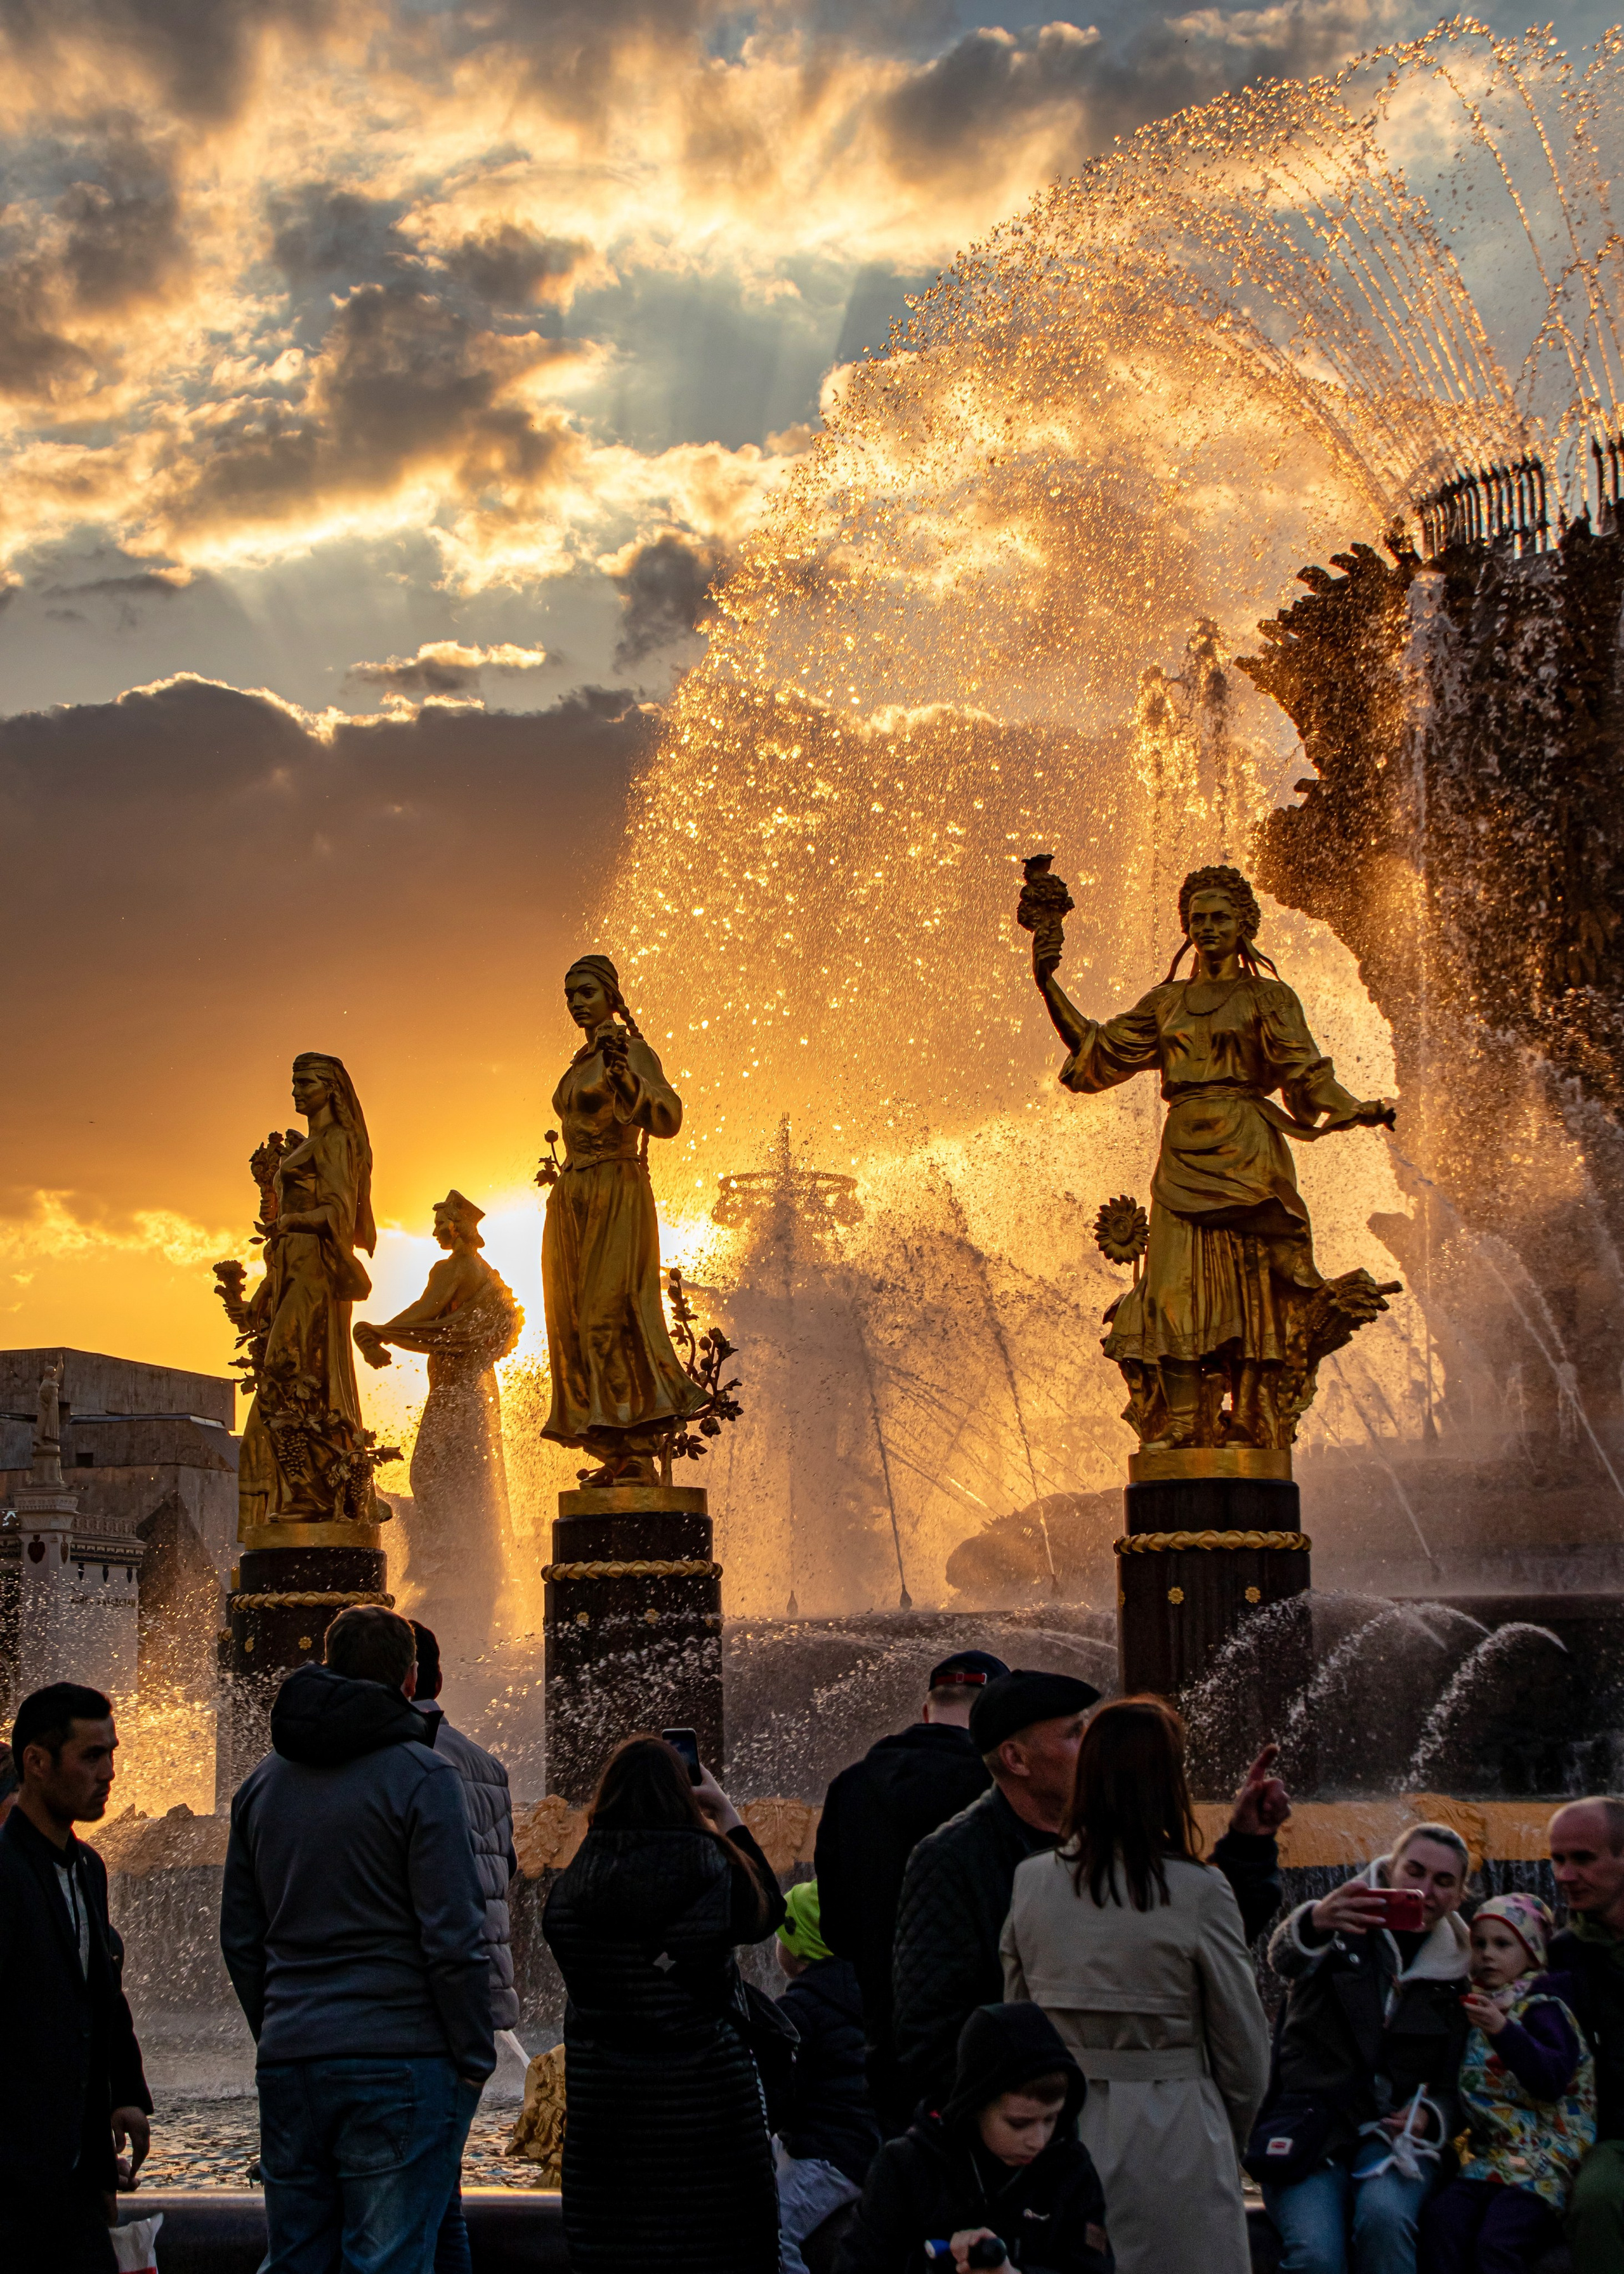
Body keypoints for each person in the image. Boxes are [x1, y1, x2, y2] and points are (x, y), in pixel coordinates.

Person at [221, 1603, 494, 2274]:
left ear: (327, 1666)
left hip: (292, 2059)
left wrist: (283, 2027)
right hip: (399, 2055)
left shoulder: (260, 1785)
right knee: (389, 2259)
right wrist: (472, 2052)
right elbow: (453, 1935)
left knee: (296, 2256)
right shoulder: (424, 1777)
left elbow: (240, 1936)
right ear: (409, 1680)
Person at [891, 1668, 1286, 2115]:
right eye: (1077, 1733)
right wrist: (1001, 2126)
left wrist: (1247, 1844)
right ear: (1017, 1759)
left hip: (1143, 2118)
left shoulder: (1109, 1839)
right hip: (1031, 2131)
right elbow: (930, 2024)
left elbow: (1194, 1947)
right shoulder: (954, 1859)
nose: (1094, 1747)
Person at [1001, 1694, 1268, 2274]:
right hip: (1177, 2132)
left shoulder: (1030, 1884)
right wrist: (1228, 2137)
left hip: (1066, 2131)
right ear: (1168, 1783)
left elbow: (1016, 2027)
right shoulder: (1200, 1892)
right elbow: (1243, 2046)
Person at [542, 1733, 788, 2272]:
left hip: (610, 2112)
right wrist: (725, 1814)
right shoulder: (716, 1867)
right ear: (685, 1796)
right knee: (721, 2250)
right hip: (711, 2108)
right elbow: (769, 1914)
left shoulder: (570, 1889)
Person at [1261, 1819, 1472, 2274]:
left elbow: (1460, 2088)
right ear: (1390, 1869)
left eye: (1443, 1882)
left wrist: (1430, 2115)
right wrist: (1314, 1922)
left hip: (1396, 2143)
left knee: (1385, 2218)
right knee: (1317, 2255)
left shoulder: (1462, 1972)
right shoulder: (1339, 1921)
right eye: (1414, 1872)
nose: (1425, 1891)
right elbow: (1284, 1959)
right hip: (1313, 2131)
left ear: (1459, 1896)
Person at [817, 1650, 1011, 2129]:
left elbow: (838, 1932)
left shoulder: (851, 1789)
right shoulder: (1007, 1794)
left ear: (927, 1711)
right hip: (994, 2046)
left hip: (888, 2045)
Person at [0, 1683, 152, 2274]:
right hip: (16, 2188)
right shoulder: (7, 1875)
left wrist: (127, 2096)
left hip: (74, 2183)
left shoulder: (88, 1867)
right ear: (36, 1764)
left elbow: (102, 2000)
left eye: (111, 1754)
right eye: (91, 1756)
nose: (109, 1772)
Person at [835, 2001, 1111, 2274]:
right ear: (975, 2107)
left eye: (1052, 2119)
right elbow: (857, 2264)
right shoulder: (906, 2166)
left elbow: (1094, 2267)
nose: (1038, 2140)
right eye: (1019, 2124)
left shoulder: (1071, 2168)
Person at [410, 1620, 520, 2274]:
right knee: (439, 2185)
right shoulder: (487, 1764)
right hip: (478, 1994)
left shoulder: (403, 1767)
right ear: (438, 1678)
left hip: (416, 2005)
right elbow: (499, 1875)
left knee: (415, 2198)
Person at [1422, 1893, 1594, 2274]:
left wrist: (1504, 2031)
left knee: (1497, 2244)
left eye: (1503, 1944)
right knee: (1442, 2222)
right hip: (1491, 2161)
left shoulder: (1546, 2006)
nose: (1487, 1954)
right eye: (1479, 1943)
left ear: (1532, 1953)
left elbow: (1550, 2080)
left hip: (1545, 2164)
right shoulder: (1479, 2002)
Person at [773, 1881, 882, 2273]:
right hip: (862, 2146)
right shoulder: (869, 1991)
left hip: (827, 2155)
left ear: (796, 1946)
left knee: (770, 2234)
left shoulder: (799, 2008)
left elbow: (779, 2092)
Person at [1549, 1796, 1624, 2272]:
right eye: (1557, 1860)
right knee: (1596, 2200)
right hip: (1613, 2138)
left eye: (1582, 1859)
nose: (1564, 1876)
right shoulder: (1564, 1955)